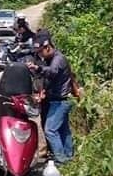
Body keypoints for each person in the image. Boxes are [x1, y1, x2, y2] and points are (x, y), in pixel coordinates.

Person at [28, 33, 82, 164]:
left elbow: (52, 72)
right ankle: (68, 157)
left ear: (47, 47)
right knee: (63, 130)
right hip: (60, 100)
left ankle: (61, 159)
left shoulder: (58, 59)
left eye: (41, 51)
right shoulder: (51, 59)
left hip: (61, 101)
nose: (40, 55)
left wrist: (38, 68)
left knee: (50, 130)